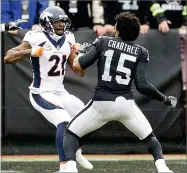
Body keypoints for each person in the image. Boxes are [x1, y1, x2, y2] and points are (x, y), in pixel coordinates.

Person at [62, 12, 177, 173]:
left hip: (102, 102)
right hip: (126, 104)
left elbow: (77, 66)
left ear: (118, 29)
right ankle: (163, 167)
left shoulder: (103, 41)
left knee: (71, 133)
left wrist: (82, 52)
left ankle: (71, 168)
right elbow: (142, 85)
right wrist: (164, 99)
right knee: (150, 138)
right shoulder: (141, 51)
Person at [4, 6, 93, 172]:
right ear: (47, 23)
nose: (61, 25)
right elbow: (8, 57)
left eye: (63, 21)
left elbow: (79, 73)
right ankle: (65, 165)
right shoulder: (35, 36)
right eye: (57, 22)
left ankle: (77, 151)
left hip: (60, 92)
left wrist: (80, 57)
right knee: (63, 120)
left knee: (86, 116)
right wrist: (31, 51)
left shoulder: (69, 38)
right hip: (41, 92)